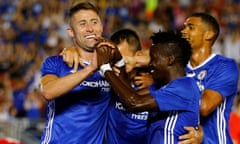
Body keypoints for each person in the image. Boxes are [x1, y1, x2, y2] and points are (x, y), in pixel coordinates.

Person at [125, 12, 239, 144]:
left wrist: (161, 87)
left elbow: (204, 107)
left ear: (209, 34)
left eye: (191, 27)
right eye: (184, 27)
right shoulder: (179, 68)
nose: (183, 31)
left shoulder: (224, 66)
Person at [97, 30, 202, 144]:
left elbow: (134, 103)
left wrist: (105, 69)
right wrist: (121, 63)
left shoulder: (184, 88)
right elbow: (130, 94)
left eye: (154, 59)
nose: (150, 64)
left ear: (170, 60)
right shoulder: (162, 87)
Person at [39, 1, 112, 143]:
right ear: (71, 32)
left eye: (94, 22)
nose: (90, 28)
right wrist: (90, 69)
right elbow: (47, 91)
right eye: (82, 24)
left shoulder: (111, 68)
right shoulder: (56, 62)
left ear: (101, 27)